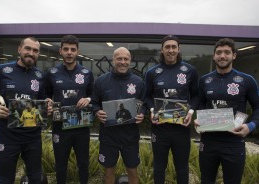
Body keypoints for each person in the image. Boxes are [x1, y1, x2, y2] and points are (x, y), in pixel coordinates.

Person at [0, 37, 52, 184]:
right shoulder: (0, 71)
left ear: (38, 54)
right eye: (28, 49)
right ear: (19, 49)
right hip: (7, 137)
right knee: (5, 180)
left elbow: (43, 101)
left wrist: (48, 106)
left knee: (36, 178)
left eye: (35, 50)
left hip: (33, 138)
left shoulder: (40, 76)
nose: (31, 53)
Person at [195, 38, 259, 184]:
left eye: (226, 52)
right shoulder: (204, 80)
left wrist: (251, 126)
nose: (222, 56)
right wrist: (198, 119)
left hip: (234, 143)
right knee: (206, 180)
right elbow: (201, 104)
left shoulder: (247, 80)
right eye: (219, 52)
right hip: (208, 142)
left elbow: (258, 107)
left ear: (234, 55)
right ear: (214, 56)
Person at [144, 35, 199, 184]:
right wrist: (151, 110)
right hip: (159, 128)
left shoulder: (189, 70)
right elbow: (147, 96)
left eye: (174, 47)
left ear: (179, 49)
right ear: (162, 50)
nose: (171, 50)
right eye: (167, 47)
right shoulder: (152, 73)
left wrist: (190, 112)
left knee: (182, 168)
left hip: (181, 128)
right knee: (159, 167)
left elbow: (196, 96)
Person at [45, 35, 94, 184]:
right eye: (66, 49)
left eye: (73, 49)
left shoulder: (86, 73)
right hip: (60, 127)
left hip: (81, 126)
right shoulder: (52, 73)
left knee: (83, 164)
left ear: (77, 52)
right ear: (60, 51)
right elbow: (46, 95)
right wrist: (47, 101)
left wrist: (88, 99)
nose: (69, 52)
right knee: (60, 165)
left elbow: (93, 95)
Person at [92, 47, 145, 184]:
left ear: (130, 61)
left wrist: (142, 114)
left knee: (132, 171)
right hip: (108, 136)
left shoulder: (138, 82)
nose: (123, 62)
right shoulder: (101, 81)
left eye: (126, 59)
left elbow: (144, 103)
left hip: (130, 136)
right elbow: (94, 103)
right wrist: (97, 111)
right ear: (113, 60)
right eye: (119, 58)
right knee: (109, 171)